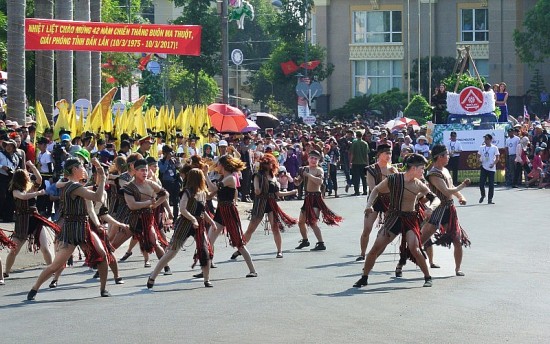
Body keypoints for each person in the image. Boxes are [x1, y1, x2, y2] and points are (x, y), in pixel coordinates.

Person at [27, 158, 110, 300]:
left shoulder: (74, 185)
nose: (84, 169)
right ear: (74, 170)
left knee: (103, 255)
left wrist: (100, 179)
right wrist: (102, 177)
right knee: (56, 265)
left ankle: (103, 289)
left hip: (83, 228)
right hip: (71, 231)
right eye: (81, 167)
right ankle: (34, 288)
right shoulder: (73, 186)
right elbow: (98, 197)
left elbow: (94, 192)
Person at [353, 154, 440, 288]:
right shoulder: (393, 179)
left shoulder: (419, 184)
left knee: (414, 248)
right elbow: (375, 189)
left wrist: (430, 208)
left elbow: (435, 199)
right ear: (414, 168)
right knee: (376, 248)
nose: (423, 171)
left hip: (410, 219)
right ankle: (364, 277)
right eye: (422, 168)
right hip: (394, 218)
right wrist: (369, 205)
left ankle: (427, 277)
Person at [147, 168, 216, 288]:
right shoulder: (187, 192)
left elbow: (202, 211)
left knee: (204, 250)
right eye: (202, 177)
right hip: (185, 223)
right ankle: (153, 276)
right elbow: (183, 210)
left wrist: (211, 222)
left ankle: (206, 279)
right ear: (198, 179)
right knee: (172, 251)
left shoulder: (202, 193)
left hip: (198, 224)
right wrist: (193, 219)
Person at [417, 144, 471, 277]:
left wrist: (460, 196)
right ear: (439, 157)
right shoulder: (433, 174)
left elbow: (451, 187)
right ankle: (402, 262)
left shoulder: (445, 170)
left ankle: (457, 269)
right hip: (438, 209)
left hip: (450, 209)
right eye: (446, 155)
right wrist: (462, 186)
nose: (448, 157)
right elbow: (446, 191)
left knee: (457, 239)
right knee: (422, 239)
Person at [3, 162, 60, 278]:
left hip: (35, 219)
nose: (29, 175)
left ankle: (51, 269)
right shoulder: (15, 191)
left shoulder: (31, 187)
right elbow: (24, 197)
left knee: (45, 247)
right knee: (14, 249)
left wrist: (32, 166)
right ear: (22, 178)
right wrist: (39, 193)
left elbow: (39, 178)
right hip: (22, 222)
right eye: (27, 174)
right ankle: (6, 272)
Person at [204, 155, 257, 277]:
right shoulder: (224, 178)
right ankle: (205, 270)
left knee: (239, 243)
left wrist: (206, 175)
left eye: (218, 164)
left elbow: (213, 188)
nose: (217, 166)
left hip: (229, 211)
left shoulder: (230, 178)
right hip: (220, 211)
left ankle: (253, 270)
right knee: (209, 241)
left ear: (223, 165)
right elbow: (210, 195)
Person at [239, 154, 298, 258]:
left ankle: (279, 251)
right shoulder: (258, 175)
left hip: (271, 203)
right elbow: (256, 191)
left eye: (270, 163)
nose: (268, 165)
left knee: (275, 228)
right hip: (260, 203)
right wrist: (258, 189)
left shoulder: (273, 177)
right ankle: (240, 248)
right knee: (251, 229)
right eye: (266, 163)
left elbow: (278, 194)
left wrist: (291, 192)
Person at [294, 150, 343, 251]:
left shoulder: (319, 170)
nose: (313, 160)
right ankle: (305, 240)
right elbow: (298, 183)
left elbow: (320, 182)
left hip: (316, 198)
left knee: (312, 222)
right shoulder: (304, 169)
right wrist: (295, 180)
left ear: (318, 160)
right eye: (311, 158)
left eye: (315, 158)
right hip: (307, 198)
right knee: (301, 222)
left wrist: (308, 175)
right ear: (308, 158)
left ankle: (321, 243)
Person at [356, 144, 397, 261]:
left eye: (390, 153)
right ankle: (362, 253)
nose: (389, 156)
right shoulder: (371, 169)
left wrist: (396, 174)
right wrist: (369, 205)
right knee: (367, 228)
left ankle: (375, 252)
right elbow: (373, 188)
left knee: (386, 230)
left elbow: (398, 186)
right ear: (379, 155)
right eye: (386, 153)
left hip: (389, 200)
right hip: (375, 200)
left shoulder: (393, 169)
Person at [478, 134, 500, 204]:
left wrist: (493, 164)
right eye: (485, 139)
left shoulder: (494, 148)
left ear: (490, 140)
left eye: (487, 139)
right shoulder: (481, 147)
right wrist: (479, 160)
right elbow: (478, 156)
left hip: (491, 168)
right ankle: (483, 195)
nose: (486, 140)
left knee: (491, 184)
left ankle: (490, 199)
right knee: (481, 183)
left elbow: (497, 158)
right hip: (484, 167)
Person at [349, 130, 370, 196]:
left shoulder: (354, 143)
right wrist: (367, 163)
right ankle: (365, 191)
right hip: (363, 163)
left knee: (356, 178)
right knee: (364, 178)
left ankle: (357, 191)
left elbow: (352, 153)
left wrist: (350, 162)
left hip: (356, 163)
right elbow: (367, 154)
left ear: (356, 135)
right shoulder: (365, 143)